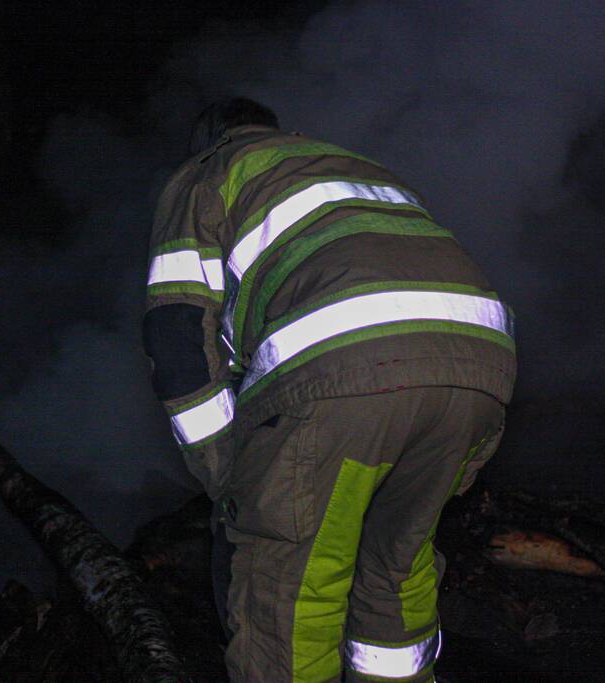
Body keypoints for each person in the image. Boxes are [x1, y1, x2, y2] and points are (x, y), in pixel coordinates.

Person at [143, 97, 516, 683]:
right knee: (397, 566)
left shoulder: (207, 173)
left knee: (292, 587)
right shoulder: (350, 165)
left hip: (344, 372)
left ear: (212, 138)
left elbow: (177, 334)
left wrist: (226, 473)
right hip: (480, 369)